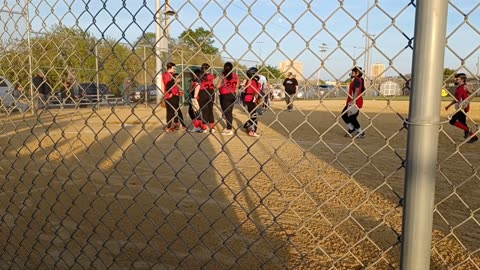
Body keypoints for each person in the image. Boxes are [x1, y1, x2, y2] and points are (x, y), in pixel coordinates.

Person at [445, 73, 478, 143]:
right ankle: (474, 137)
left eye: (457, 78)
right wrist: (448, 106)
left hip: (463, 107)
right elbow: (456, 99)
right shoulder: (458, 88)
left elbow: (474, 93)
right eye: (455, 78)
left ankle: (468, 130)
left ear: (462, 79)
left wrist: (467, 101)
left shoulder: (465, 86)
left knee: (452, 121)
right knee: (463, 124)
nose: (455, 79)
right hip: (459, 107)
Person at [342, 67, 366, 138]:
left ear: (357, 73)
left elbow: (356, 90)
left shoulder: (357, 80)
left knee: (351, 117)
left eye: (353, 72)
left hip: (355, 101)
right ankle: (352, 129)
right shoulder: (357, 80)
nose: (352, 74)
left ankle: (361, 132)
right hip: (353, 101)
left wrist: (353, 101)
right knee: (345, 115)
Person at [216, 62, 239, 135]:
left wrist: (222, 83)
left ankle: (229, 129)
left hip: (225, 95)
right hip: (233, 94)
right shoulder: (235, 76)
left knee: (227, 112)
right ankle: (229, 127)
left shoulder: (223, 76)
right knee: (229, 112)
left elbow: (217, 86)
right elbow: (237, 85)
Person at [163, 62, 186, 132]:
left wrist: (179, 91)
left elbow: (175, 85)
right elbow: (167, 85)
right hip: (170, 95)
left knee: (176, 110)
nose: (174, 69)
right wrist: (169, 93)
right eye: (173, 68)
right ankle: (171, 126)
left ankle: (177, 124)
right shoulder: (167, 75)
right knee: (171, 111)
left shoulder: (172, 75)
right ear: (169, 68)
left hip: (174, 95)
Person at [193, 63, 216, 133]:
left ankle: (204, 128)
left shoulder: (200, 76)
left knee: (204, 111)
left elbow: (198, 86)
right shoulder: (212, 76)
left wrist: (195, 96)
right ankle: (212, 128)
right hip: (211, 93)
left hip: (203, 93)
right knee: (210, 110)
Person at [241, 67, 261, 137]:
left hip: (249, 99)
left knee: (253, 114)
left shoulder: (249, 80)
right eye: (256, 73)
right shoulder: (252, 81)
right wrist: (259, 84)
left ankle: (247, 125)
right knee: (254, 115)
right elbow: (256, 91)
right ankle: (252, 131)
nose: (258, 75)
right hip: (250, 99)